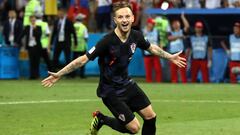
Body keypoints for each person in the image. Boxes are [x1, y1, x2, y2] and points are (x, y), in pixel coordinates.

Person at [41, 2, 186, 135]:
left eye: (127, 16)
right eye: (120, 17)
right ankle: (102, 119)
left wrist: (170, 57)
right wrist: (60, 73)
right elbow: (83, 59)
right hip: (110, 91)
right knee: (134, 128)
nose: (124, 20)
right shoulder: (106, 41)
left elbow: (151, 48)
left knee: (150, 116)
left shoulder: (136, 36)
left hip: (127, 84)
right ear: (115, 20)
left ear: (133, 18)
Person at [168, 13, 189, 83]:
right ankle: (174, 84)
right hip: (173, 55)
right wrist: (179, 37)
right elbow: (169, 38)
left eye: (177, 23)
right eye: (174, 23)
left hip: (181, 54)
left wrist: (183, 17)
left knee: (183, 71)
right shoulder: (170, 32)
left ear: (180, 24)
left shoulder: (182, 31)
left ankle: (184, 83)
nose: (176, 24)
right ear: (172, 25)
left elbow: (187, 26)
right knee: (173, 71)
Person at [20, 15, 42, 79]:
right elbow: (22, 34)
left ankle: (37, 75)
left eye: (34, 20)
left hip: (37, 46)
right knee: (31, 61)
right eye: (32, 20)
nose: (33, 21)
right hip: (30, 46)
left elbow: (38, 35)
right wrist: (17, 41)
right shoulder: (27, 27)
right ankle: (32, 75)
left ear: (35, 20)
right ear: (30, 20)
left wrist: (34, 29)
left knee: (37, 61)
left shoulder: (38, 27)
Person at [142, 18, 162, 83]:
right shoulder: (143, 31)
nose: (152, 25)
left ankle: (159, 83)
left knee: (158, 69)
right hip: (146, 54)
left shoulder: (156, 31)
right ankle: (149, 83)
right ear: (148, 24)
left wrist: (161, 51)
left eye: (153, 24)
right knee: (148, 71)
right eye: (151, 24)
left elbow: (159, 41)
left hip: (155, 53)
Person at [71, 13, 88, 78]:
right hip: (81, 47)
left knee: (73, 62)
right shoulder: (83, 27)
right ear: (82, 20)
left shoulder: (73, 26)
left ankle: (73, 75)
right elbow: (86, 37)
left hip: (74, 46)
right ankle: (82, 75)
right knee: (82, 61)